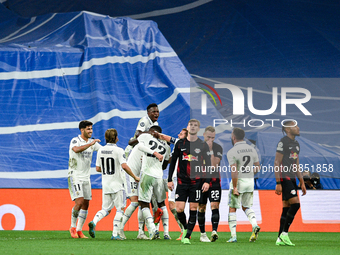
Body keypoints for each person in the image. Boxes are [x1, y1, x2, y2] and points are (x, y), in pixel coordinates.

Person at [87, 129, 140, 240]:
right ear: (116, 138)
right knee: (120, 209)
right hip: (117, 184)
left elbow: (98, 168)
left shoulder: (101, 150)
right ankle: (115, 234)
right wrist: (135, 177)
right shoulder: (119, 150)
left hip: (106, 183)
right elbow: (124, 166)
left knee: (105, 209)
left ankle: (94, 221)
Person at [167, 119, 211, 245]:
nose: (193, 127)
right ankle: (186, 228)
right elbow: (173, 162)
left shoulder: (203, 145)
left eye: (195, 125)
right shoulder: (180, 144)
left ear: (198, 129)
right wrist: (169, 179)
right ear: (187, 127)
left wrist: (207, 181)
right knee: (179, 209)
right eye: (191, 125)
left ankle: (187, 236)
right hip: (181, 182)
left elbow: (208, 164)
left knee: (193, 208)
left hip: (196, 182)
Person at [274, 121, 307, 246]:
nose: (298, 128)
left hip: (292, 178)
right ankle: (285, 234)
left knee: (286, 208)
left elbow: (296, 165)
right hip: (285, 177)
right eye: (295, 126)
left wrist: (302, 182)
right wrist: (278, 182)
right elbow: (277, 162)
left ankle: (279, 238)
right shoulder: (283, 142)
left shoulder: (296, 144)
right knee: (296, 204)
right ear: (288, 129)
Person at [226, 127, 261, 243]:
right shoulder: (252, 149)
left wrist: (235, 187)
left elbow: (234, 171)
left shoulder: (232, 152)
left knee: (232, 208)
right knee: (246, 207)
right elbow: (257, 167)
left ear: (233, 137)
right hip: (249, 182)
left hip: (239, 182)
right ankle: (255, 225)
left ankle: (233, 236)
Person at [68, 120, 101, 238]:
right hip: (75, 175)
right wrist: (90, 144)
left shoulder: (92, 142)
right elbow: (76, 149)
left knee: (86, 204)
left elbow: (102, 151)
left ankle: (79, 230)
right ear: (82, 130)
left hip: (86, 177)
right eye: (88, 129)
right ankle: (72, 227)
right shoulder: (75, 140)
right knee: (79, 202)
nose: (91, 131)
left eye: (91, 129)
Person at [137, 126, 171, 240]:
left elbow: (139, 146)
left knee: (143, 203)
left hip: (147, 173)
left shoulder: (146, 136)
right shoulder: (166, 145)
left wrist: (154, 153)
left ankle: (152, 229)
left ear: (152, 132)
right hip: (159, 176)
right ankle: (166, 233)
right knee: (162, 203)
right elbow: (165, 165)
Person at [198, 126, 223, 242]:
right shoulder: (197, 147)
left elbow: (213, 164)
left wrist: (210, 150)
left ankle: (214, 231)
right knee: (201, 207)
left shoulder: (218, 147)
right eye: (208, 137)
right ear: (203, 135)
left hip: (214, 181)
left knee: (215, 206)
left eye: (212, 138)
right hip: (201, 182)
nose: (210, 140)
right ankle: (203, 233)